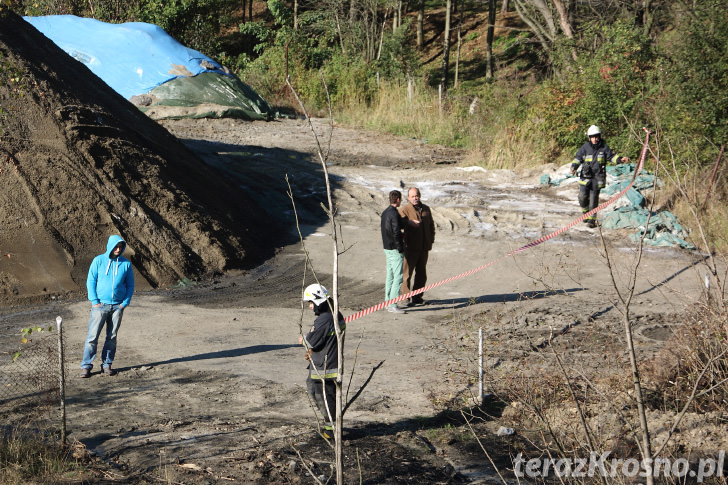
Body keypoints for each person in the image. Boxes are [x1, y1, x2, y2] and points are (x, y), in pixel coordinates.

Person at [80, 235, 135, 378]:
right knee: (92, 337)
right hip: (100, 306)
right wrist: (94, 301)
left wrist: (124, 303)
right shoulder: (98, 261)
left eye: (120, 247)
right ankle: (86, 366)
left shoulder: (126, 264)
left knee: (111, 337)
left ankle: (107, 365)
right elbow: (91, 281)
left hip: (117, 307)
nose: (118, 249)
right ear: (110, 246)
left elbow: (130, 285)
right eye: (116, 246)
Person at [300, 283, 345, 439]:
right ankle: (332, 427)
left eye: (311, 303)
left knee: (324, 397)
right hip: (325, 363)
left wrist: (304, 339)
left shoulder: (324, 319)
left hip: (325, 367)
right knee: (317, 392)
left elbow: (311, 341)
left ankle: (332, 431)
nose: (310, 307)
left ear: (318, 301)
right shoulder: (336, 315)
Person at [570, 125, 630, 228]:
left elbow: (611, 157)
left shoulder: (604, 147)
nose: (595, 139)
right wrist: (573, 167)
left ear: (599, 136)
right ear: (589, 137)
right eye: (592, 137)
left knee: (593, 199)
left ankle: (592, 220)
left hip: (597, 178)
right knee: (582, 197)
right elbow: (578, 158)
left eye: (596, 136)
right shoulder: (585, 147)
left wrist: (620, 159)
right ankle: (586, 213)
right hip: (585, 177)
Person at [399, 187, 435, 306]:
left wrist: (431, 240)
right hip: (410, 248)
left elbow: (431, 226)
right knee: (407, 275)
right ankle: (405, 298)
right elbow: (397, 226)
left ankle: (417, 297)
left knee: (421, 275)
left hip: (424, 248)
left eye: (417, 195)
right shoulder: (404, 210)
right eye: (413, 196)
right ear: (408, 198)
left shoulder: (426, 209)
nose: (415, 198)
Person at [381, 190, 407, 314]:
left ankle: (388, 302)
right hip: (395, 249)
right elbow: (396, 232)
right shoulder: (394, 214)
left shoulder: (385, 212)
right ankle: (393, 304)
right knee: (398, 277)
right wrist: (401, 247)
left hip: (387, 247)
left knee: (390, 276)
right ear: (397, 200)